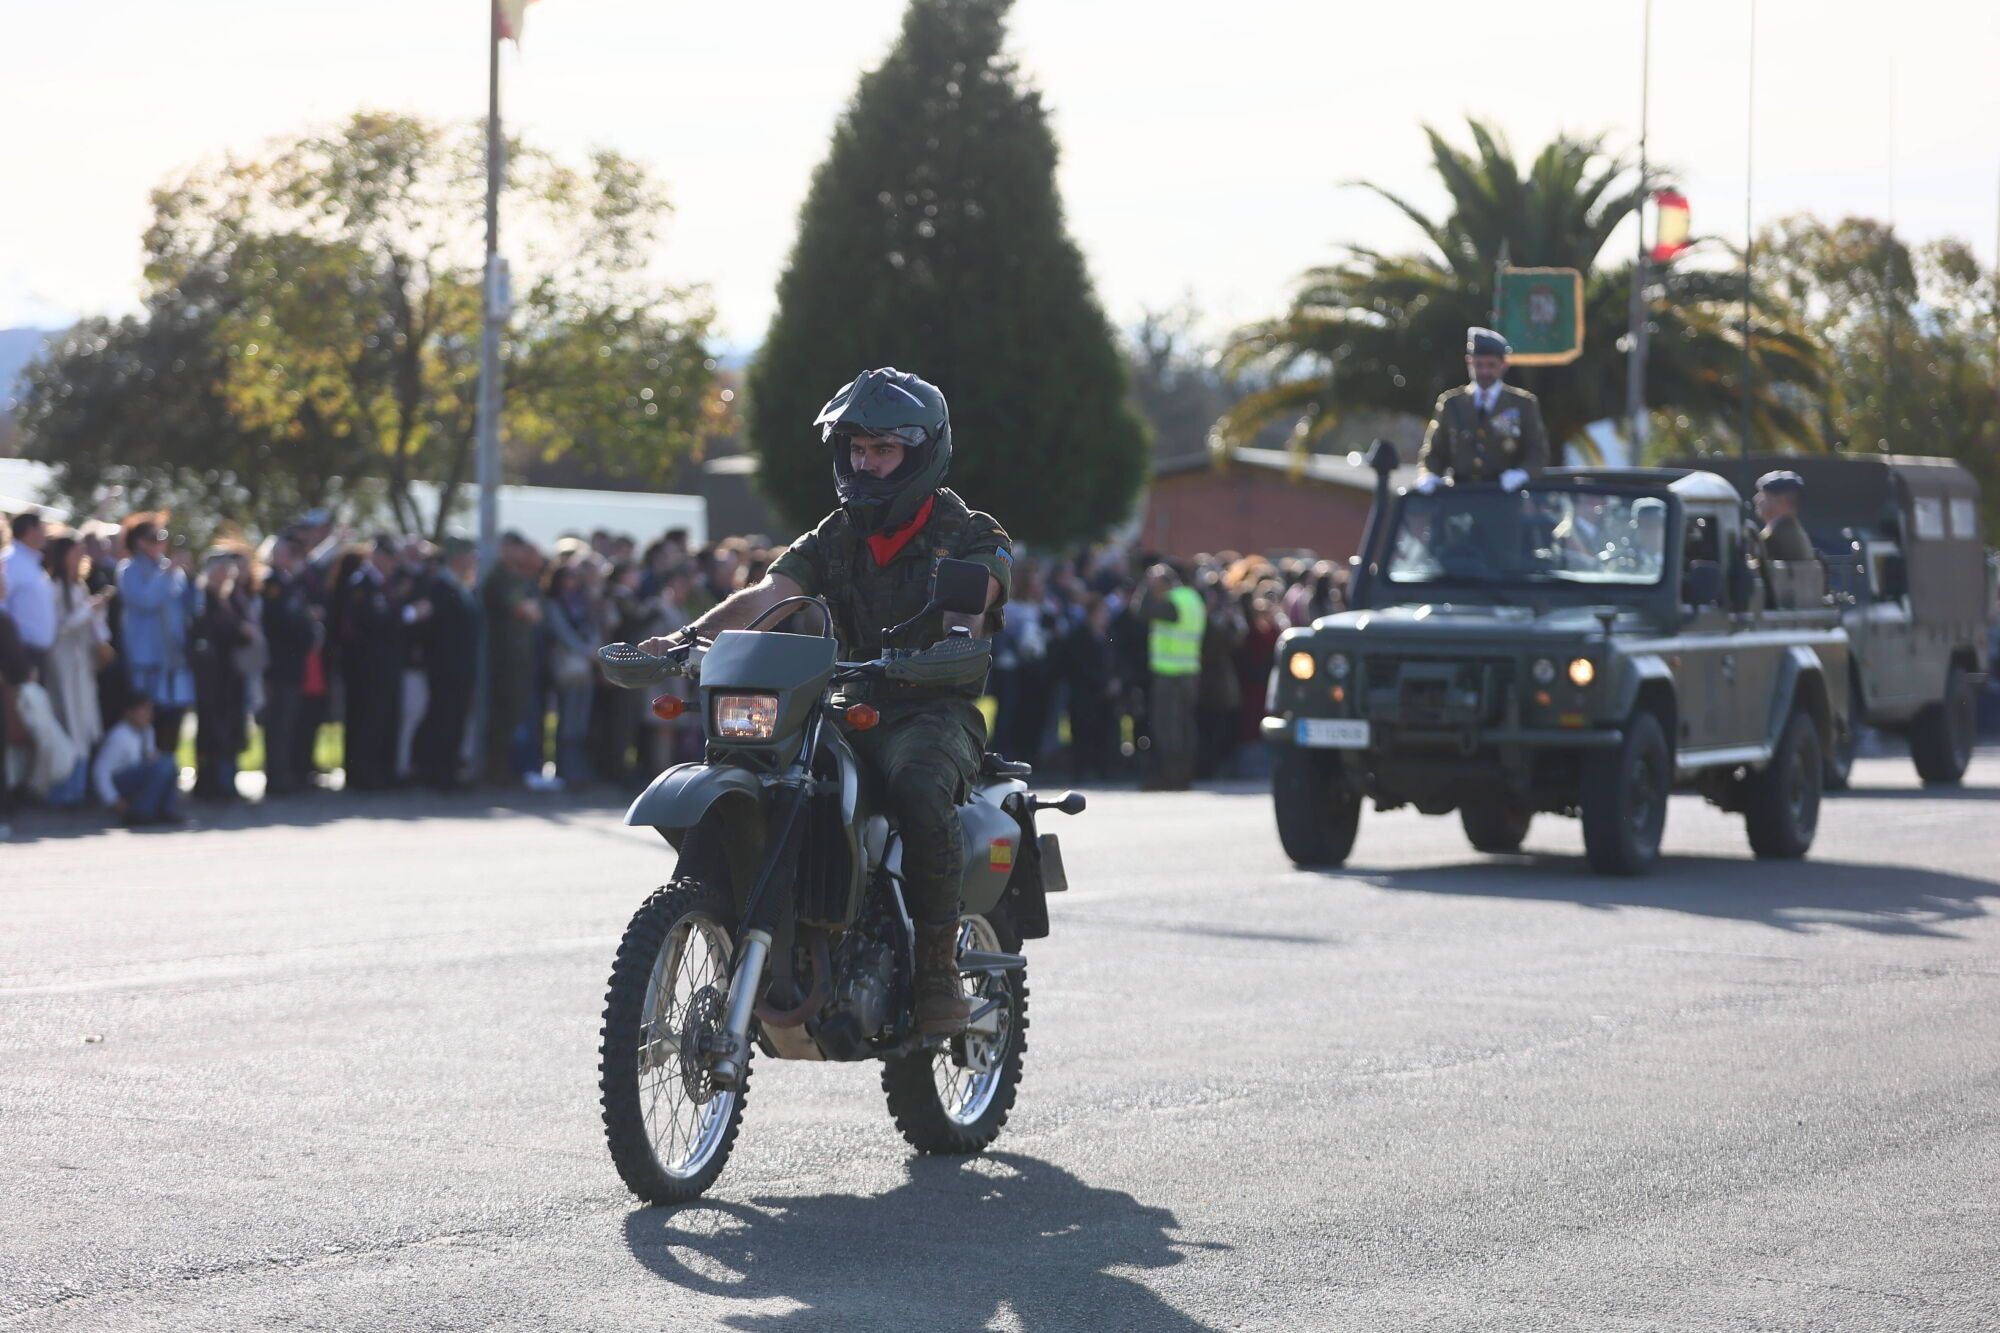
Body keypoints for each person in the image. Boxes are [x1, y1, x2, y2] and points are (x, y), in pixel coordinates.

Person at [639, 367, 1011, 1036]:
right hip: (839, 702)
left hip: (929, 710)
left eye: (883, 449)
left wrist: (951, 646)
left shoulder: (970, 535)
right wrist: (684, 639)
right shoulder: (835, 533)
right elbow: (769, 596)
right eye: (857, 449)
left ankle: (935, 970)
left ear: (923, 453)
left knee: (918, 786)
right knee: (762, 771)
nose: (865, 464)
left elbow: (971, 610)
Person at [1417, 327, 1550, 492]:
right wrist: (1429, 474)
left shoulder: (1522, 404)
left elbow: (1537, 452)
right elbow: (1434, 452)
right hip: (1460, 494)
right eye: (1478, 365)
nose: (1484, 371)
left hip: (1505, 495)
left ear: (1504, 364)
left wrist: (1522, 473)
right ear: (1469, 361)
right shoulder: (1451, 404)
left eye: (1491, 365)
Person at [116, 513, 197, 754]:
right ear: (140, 542)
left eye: (163, 537)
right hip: (145, 661)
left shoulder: (171, 570)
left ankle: (168, 767)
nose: (162, 543)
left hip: (173, 659)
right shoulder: (128, 570)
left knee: (173, 719)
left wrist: (190, 577)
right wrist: (169, 572)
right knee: (147, 721)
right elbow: (145, 600)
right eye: (155, 538)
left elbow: (191, 607)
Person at [412, 540, 481, 790]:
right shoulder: (440, 587)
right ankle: (437, 773)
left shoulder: (460, 587)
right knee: (443, 717)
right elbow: (433, 628)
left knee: (455, 719)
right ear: (456, 558)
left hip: (460, 667)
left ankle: (449, 769)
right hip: (445, 667)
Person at [482, 532, 548, 789]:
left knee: (516, 715)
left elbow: (536, 612)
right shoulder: (499, 577)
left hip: (520, 658)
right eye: (516, 548)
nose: (520, 553)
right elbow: (522, 609)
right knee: (504, 715)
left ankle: (509, 770)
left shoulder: (517, 577)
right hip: (504, 659)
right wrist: (528, 609)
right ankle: (497, 771)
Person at [42, 534, 112, 766]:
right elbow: (58, 628)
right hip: (62, 663)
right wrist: (89, 609)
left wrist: (97, 611)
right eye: (75, 553)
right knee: (69, 718)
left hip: (82, 663)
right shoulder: (53, 587)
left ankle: (81, 774)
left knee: (84, 721)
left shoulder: (79, 587)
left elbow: (90, 625)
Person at [258, 533, 319, 795]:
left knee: (289, 722)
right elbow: (280, 622)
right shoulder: (270, 584)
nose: (289, 558)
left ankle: (286, 772)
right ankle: (276, 776)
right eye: (284, 553)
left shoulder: (290, 583)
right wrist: (305, 629)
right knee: (278, 723)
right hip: (279, 664)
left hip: (293, 664)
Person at [1140, 562, 1204, 791]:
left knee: (1168, 727)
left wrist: (1146, 587)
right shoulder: (1193, 599)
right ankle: (1185, 774)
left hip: (1170, 673)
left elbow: (1141, 610)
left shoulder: (1171, 601)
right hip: (1189, 671)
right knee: (1186, 726)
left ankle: (1171, 776)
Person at [93, 694, 184, 826]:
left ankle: (164, 810)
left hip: (136, 777)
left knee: (169, 762)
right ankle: (140, 812)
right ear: (129, 712)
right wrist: (113, 800)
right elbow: (100, 772)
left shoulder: (147, 731)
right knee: (163, 766)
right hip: (119, 781)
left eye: (150, 710)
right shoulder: (119, 736)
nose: (149, 715)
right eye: (144, 710)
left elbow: (149, 756)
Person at [4, 512, 57, 677]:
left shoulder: (32, 564)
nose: (46, 534)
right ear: (30, 531)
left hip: (37, 655)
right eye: (42, 529)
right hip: (18, 654)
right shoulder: (9, 562)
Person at [1755, 470, 1815, 562]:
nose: (1756, 499)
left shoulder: (1772, 537)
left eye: (1763, 495)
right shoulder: (1795, 532)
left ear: (1782, 501)